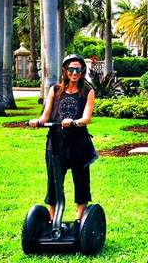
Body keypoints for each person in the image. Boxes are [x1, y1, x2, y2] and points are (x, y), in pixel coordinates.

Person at [29, 54, 97, 224]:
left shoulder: (88, 92)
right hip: (56, 141)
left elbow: (86, 118)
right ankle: (53, 220)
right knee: (54, 180)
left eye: (78, 69)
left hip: (78, 142)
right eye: (71, 69)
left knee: (81, 179)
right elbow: (46, 115)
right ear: (65, 71)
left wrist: (74, 121)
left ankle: (80, 220)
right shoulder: (54, 90)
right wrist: (38, 121)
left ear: (83, 72)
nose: (74, 72)